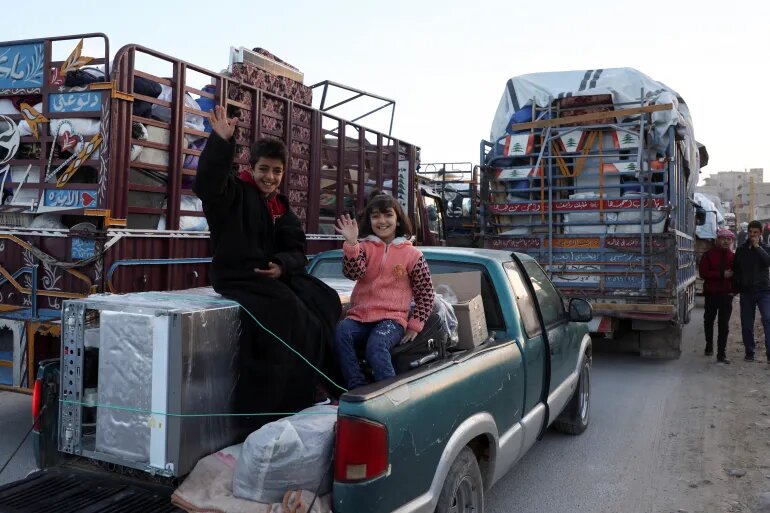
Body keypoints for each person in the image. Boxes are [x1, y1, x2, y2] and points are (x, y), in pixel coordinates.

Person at [193, 106, 341, 431]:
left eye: (277, 171)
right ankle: (269, 407)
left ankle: (317, 382)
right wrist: (221, 142)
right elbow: (207, 185)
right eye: (264, 169)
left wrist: (282, 266)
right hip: (239, 277)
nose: (269, 177)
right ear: (251, 167)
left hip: (273, 276)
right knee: (288, 312)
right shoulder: (234, 193)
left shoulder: (279, 206)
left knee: (324, 299)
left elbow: (297, 249)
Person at [333, 193, 435, 389]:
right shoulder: (362, 247)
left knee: (376, 345)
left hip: (392, 319)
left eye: (388, 215)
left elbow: (426, 293)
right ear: (369, 221)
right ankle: (356, 387)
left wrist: (415, 325)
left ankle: (390, 394)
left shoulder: (412, 254)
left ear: (397, 220)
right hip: (359, 317)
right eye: (375, 216)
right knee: (341, 332)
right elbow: (353, 273)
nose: (382, 221)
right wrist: (352, 244)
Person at [732, 220, 770, 363]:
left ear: (760, 233)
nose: (752, 235)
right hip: (746, 292)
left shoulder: (766, 248)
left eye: (755, 233)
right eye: (750, 232)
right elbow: (736, 270)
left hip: (764, 291)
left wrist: (757, 247)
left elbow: (768, 262)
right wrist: (735, 289)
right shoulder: (741, 250)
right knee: (747, 324)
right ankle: (749, 352)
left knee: (767, 320)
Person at [699, 229, 736, 363]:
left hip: (726, 295)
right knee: (709, 320)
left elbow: (737, 276)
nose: (726, 241)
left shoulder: (733, 257)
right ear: (717, 239)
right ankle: (709, 345)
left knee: (723, 325)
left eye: (729, 239)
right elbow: (703, 273)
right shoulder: (708, 255)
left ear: (731, 241)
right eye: (723, 238)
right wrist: (721, 274)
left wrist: (734, 291)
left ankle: (721, 354)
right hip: (711, 294)